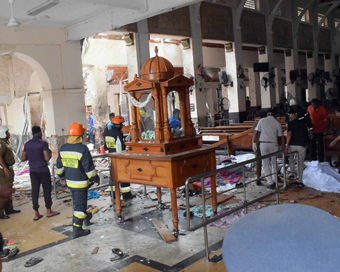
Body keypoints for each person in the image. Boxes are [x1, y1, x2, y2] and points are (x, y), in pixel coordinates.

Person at [56, 123, 100, 239]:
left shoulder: (63, 148)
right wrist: (96, 178)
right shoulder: (82, 149)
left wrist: (61, 177)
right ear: (80, 136)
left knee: (78, 202)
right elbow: (89, 169)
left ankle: (86, 218)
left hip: (70, 182)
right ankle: (77, 229)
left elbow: (59, 166)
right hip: (81, 183)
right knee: (79, 206)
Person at [21, 126, 60, 221]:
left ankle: (36, 213)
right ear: (39, 133)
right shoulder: (43, 143)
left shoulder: (27, 144)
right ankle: (49, 211)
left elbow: (23, 158)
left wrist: (31, 157)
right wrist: (49, 155)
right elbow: (47, 158)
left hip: (33, 171)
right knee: (46, 190)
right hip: (43, 170)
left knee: (35, 191)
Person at [103, 116, 132, 199]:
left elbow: (105, 147)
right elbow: (122, 148)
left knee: (113, 177)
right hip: (119, 158)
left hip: (111, 158)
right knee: (123, 176)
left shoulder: (107, 132)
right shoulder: (117, 133)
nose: (122, 126)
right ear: (118, 124)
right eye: (122, 124)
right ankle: (126, 195)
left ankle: (114, 195)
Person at [253, 112, 283, 189]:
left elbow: (257, 133)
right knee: (274, 163)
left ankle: (270, 182)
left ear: (267, 115)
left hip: (263, 144)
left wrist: (254, 142)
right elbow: (279, 137)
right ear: (275, 116)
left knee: (265, 163)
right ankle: (275, 180)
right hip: (273, 144)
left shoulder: (262, 120)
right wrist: (279, 145)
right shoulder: (277, 123)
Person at [0, 126, 20, 219]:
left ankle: (9, 208)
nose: (9, 133)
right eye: (7, 132)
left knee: (9, 190)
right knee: (5, 190)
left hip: (9, 168)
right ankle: (1, 212)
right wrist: (5, 168)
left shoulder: (5, 142)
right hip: (4, 170)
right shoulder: (1, 144)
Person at [285, 113, 307, 185]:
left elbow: (290, 133)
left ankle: (292, 174)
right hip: (302, 145)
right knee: (300, 163)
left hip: (292, 145)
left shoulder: (290, 123)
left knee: (291, 159)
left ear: (291, 118)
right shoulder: (303, 123)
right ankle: (300, 180)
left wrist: (287, 145)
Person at [252, 109, 266, 185]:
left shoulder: (255, 124)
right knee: (269, 160)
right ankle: (272, 177)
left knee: (258, 161)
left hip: (258, 143)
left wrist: (253, 144)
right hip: (266, 143)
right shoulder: (267, 124)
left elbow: (255, 135)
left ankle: (258, 177)